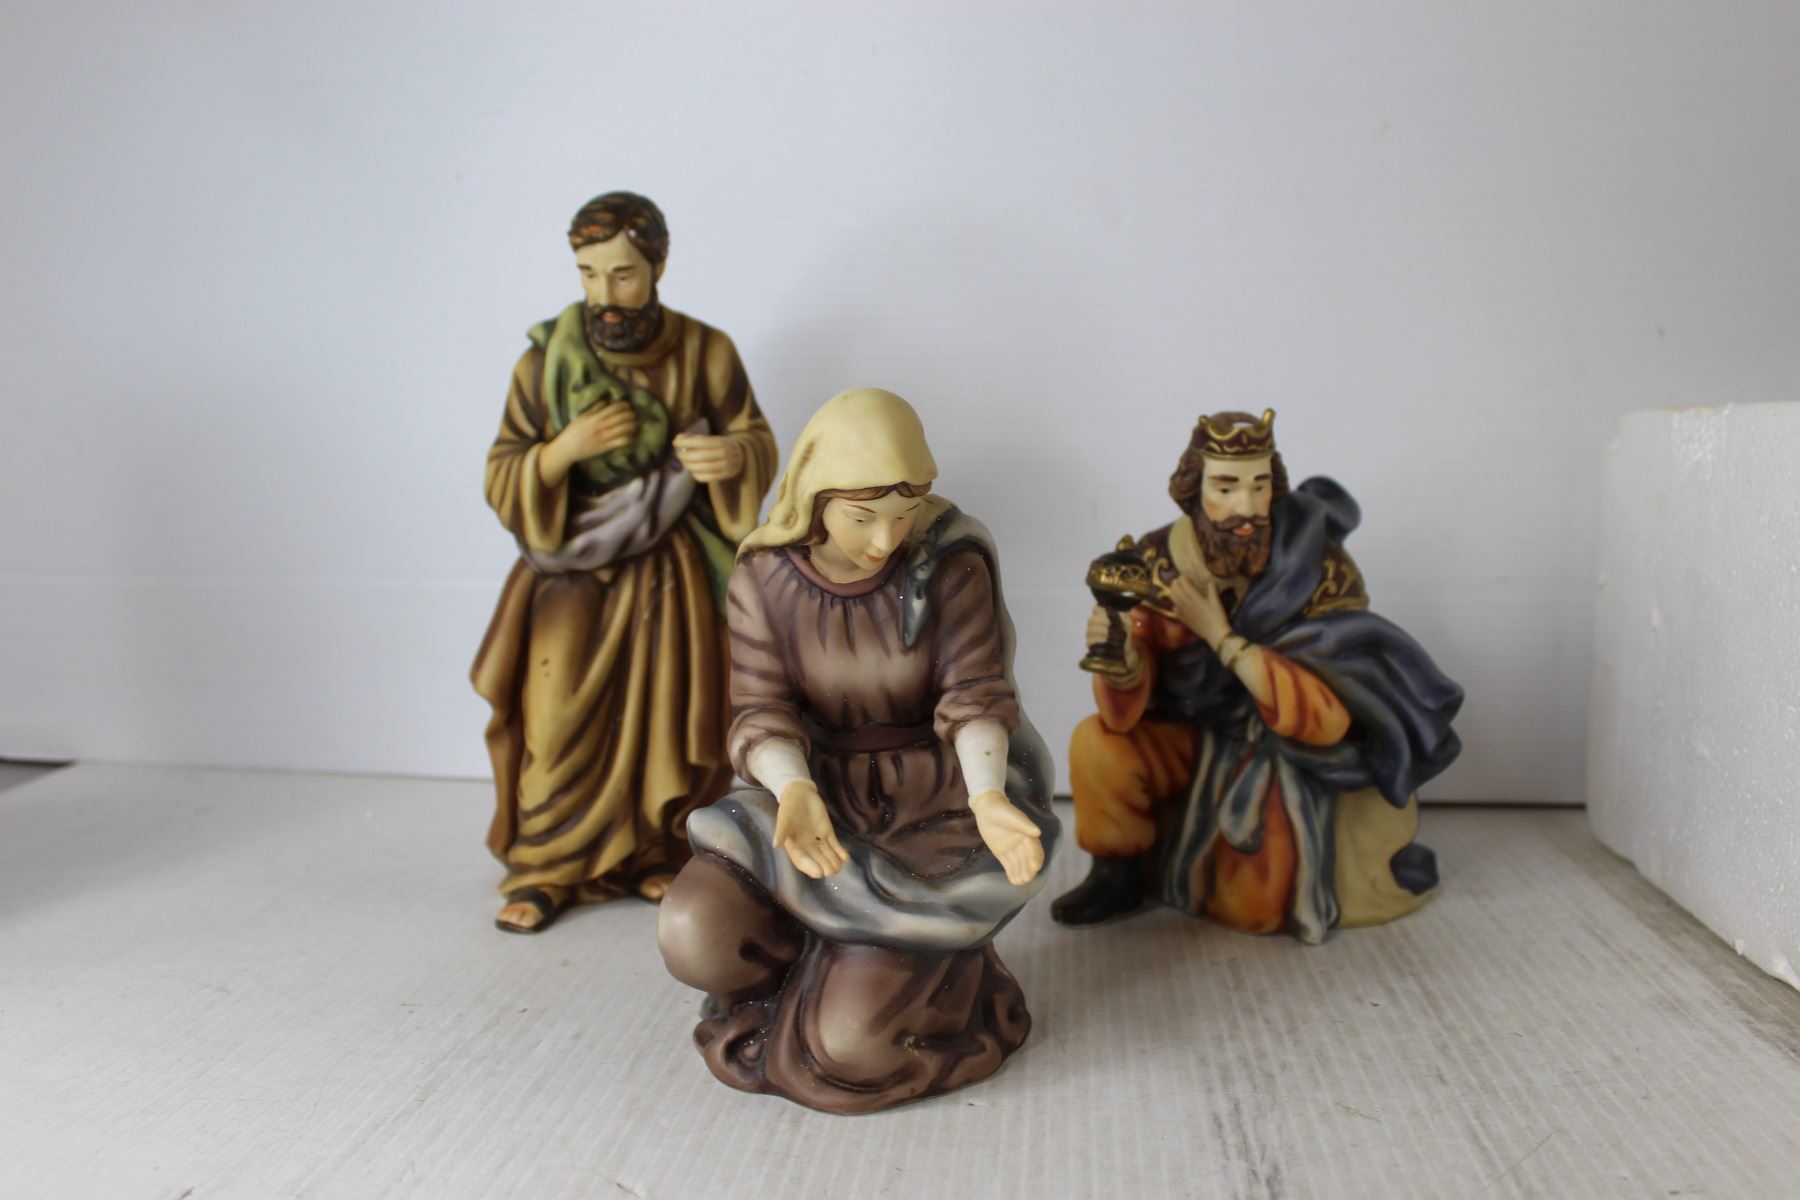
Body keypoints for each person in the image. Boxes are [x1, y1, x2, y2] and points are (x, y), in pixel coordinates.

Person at [657, 388, 1059, 1114]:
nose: (885, 539)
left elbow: (974, 694)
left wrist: (989, 797)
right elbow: (761, 709)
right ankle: (826, 968)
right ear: (816, 498)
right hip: (815, 794)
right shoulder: (764, 576)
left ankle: (910, 977)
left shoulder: (948, 564)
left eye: (904, 514)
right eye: (862, 516)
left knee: (850, 1052)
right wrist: (794, 789)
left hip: (932, 800)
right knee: (697, 931)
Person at [471, 192, 778, 933]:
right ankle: (546, 865)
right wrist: (561, 453)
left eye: (623, 275)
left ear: (658, 267)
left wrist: (733, 457)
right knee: (555, 710)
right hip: (572, 573)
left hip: (673, 569)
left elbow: (755, 439)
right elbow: (503, 468)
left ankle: (655, 850)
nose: (604, 294)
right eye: (589, 274)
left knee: (672, 714)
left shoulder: (706, 351)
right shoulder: (544, 362)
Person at [1053, 409, 1463, 943]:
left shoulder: (1318, 569)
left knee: (1254, 902)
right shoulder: (1154, 562)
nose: (1245, 508)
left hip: (1277, 743)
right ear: (1193, 490)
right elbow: (1125, 703)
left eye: (1259, 486)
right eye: (1226, 488)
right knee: (1097, 743)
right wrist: (1122, 657)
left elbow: (1330, 709)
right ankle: (1117, 872)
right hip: (1187, 732)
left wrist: (1221, 637)